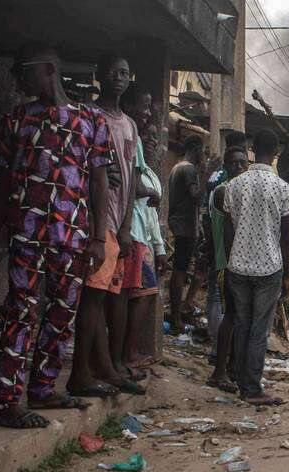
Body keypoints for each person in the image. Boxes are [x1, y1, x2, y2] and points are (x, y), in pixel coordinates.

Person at [0, 43, 112, 428]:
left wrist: (99, 237)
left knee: (61, 315)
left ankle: (42, 388)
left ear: (49, 69)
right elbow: (1, 183)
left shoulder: (92, 120)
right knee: (19, 312)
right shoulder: (18, 118)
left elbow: (99, 183)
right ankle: (7, 402)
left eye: (24, 69)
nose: (17, 77)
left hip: (72, 235)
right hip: (27, 234)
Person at [68, 54, 143, 398]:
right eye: (113, 71)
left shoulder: (129, 125)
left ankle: (105, 367)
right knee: (92, 299)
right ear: (100, 75)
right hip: (94, 221)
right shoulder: (87, 116)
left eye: (125, 73)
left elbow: (134, 178)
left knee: (106, 298)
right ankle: (83, 372)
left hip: (116, 225)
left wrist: (127, 225)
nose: (119, 77)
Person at [222, 130, 289, 406]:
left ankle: (242, 382)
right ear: (275, 153)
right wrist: (287, 275)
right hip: (269, 267)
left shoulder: (234, 185)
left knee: (241, 324)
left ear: (252, 150)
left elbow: (229, 231)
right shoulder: (283, 188)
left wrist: (231, 260)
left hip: (237, 266)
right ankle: (251, 388)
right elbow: (286, 238)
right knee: (258, 329)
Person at [121, 83, 167, 370]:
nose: (151, 140)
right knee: (137, 298)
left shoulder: (150, 173)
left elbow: (151, 218)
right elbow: (138, 199)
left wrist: (160, 247)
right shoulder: (132, 147)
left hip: (143, 240)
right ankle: (126, 353)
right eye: (148, 137)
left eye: (154, 137)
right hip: (133, 237)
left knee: (140, 297)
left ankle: (128, 352)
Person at [205, 144, 249, 393]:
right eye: (234, 163)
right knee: (231, 316)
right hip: (228, 263)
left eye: (243, 163)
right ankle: (219, 371)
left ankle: (231, 368)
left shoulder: (234, 190)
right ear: (226, 167)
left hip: (236, 263)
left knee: (238, 317)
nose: (240, 167)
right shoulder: (224, 191)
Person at [167, 135, 203, 333]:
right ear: (196, 148)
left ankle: (181, 310)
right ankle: (176, 316)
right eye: (202, 151)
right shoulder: (188, 169)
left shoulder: (177, 167)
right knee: (180, 270)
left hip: (181, 224)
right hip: (185, 226)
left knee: (183, 269)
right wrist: (206, 176)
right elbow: (196, 196)